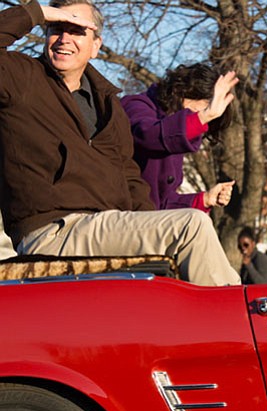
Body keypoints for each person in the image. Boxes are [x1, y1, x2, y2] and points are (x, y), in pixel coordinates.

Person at [0, 0, 240, 286]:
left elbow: (130, 179)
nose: (64, 39)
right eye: (56, 28)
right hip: (52, 230)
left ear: (96, 46)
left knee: (181, 247)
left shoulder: (108, 105)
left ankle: (216, 317)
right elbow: (152, 135)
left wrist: (152, 228)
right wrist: (37, 13)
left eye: (76, 30)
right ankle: (239, 319)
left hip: (105, 226)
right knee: (190, 225)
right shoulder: (20, 78)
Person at [121, 63, 237, 211]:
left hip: (145, 222)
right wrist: (204, 116)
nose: (198, 122)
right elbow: (148, 135)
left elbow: (162, 202)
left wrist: (205, 199)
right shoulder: (136, 105)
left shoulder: (174, 134)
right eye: (197, 113)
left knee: (198, 221)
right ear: (182, 92)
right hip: (117, 217)